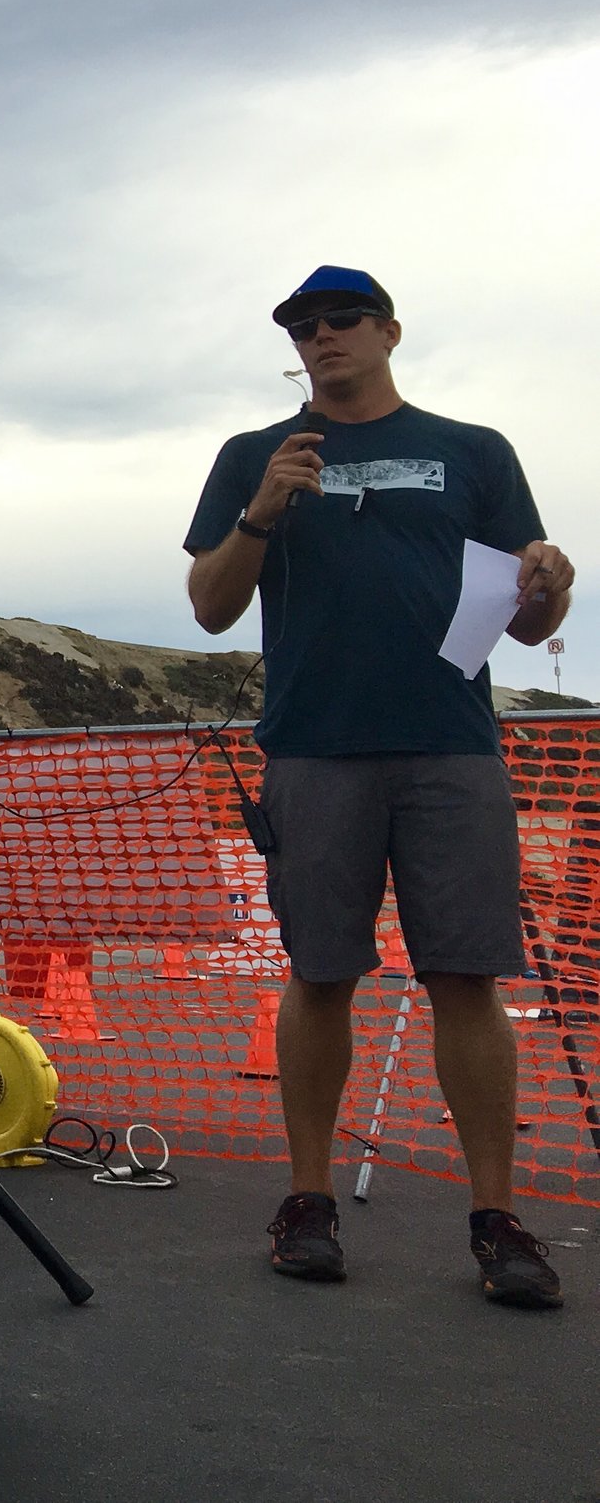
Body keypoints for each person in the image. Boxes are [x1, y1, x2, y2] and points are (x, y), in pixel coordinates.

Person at [184, 266, 573, 1307]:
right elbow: (210, 608)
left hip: (450, 746)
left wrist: (550, 587)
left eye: (341, 320)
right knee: (319, 973)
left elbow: (524, 623)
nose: (322, 337)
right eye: (303, 327)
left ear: (388, 330)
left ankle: (496, 1222)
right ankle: (305, 1202)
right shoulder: (248, 457)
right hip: (311, 748)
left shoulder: (474, 452)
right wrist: (261, 510)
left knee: (467, 977)